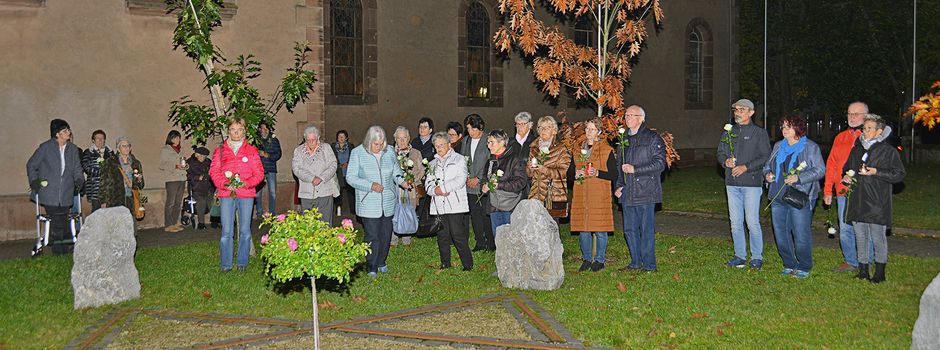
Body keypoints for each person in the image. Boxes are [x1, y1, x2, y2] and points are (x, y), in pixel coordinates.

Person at [843, 114, 905, 283]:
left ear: (879, 132)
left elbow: (899, 174)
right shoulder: (857, 149)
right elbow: (848, 168)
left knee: (878, 237)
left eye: (869, 128)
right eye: (864, 128)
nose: (865, 131)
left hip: (877, 201)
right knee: (860, 236)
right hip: (858, 199)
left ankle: (880, 272)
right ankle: (863, 270)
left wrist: (876, 172)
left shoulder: (888, 151)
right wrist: (847, 176)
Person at [763, 115, 825, 279]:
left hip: (799, 197)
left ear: (798, 128)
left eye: (788, 127)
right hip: (777, 196)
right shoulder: (778, 146)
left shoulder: (810, 147)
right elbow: (767, 166)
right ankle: (789, 264)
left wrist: (799, 178)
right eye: (782, 127)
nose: (784, 130)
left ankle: (804, 266)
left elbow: (820, 170)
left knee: (800, 234)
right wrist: (768, 174)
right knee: (781, 234)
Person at [346, 126, 410, 278]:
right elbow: (350, 177)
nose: (379, 147)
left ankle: (382, 261)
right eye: (376, 144)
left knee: (386, 234)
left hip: (388, 201)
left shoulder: (389, 151)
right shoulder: (358, 153)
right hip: (368, 203)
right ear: (369, 142)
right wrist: (370, 185)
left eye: (381, 143)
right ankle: (371, 266)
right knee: (372, 236)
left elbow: (396, 171)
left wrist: (402, 181)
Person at [717, 99, 771, 270]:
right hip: (731, 183)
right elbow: (720, 152)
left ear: (751, 112)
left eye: (742, 109)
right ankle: (739, 256)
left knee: (752, 222)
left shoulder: (759, 133)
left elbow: (765, 156)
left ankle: (756, 257)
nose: (738, 112)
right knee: (735, 222)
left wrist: (746, 167)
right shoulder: (729, 131)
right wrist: (725, 161)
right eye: (736, 109)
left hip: (751, 184)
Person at [209, 118, 265, 272]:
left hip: (246, 194)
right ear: (228, 131)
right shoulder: (220, 150)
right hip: (227, 194)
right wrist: (225, 184)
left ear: (244, 132)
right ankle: (226, 265)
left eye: (239, 129)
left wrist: (246, 183)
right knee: (226, 231)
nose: (236, 133)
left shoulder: (252, 151)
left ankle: (242, 263)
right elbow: (213, 172)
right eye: (233, 129)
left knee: (245, 231)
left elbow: (259, 174)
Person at [615, 105, 666, 272]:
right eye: (626, 115)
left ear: (641, 118)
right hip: (628, 191)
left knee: (646, 229)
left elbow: (660, 164)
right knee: (629, 229)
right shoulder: (623, 140)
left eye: (632, 115)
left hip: (646, 191)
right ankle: (635, 262)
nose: (628, 118)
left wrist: (635, 169)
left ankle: (649, 265)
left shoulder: (652, 138)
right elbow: (619, 166)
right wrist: (619, 186)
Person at [26, 119, 85, 255]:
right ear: (57, 134)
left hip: (66, 192)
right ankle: (59, 251)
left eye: (68, 129)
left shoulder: (73, 149)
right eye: (65, 131)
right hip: (49, 192)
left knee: (64, 220)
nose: (69, 132)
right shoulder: (45, 148)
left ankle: (63, 250)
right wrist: (34, 181)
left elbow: (77, 168)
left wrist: (79, 180)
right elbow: (31, 165)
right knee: (56, 221)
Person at [824, 101, 869, 273]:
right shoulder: (840, 137)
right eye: (850, 113)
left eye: (856, 114)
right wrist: (828, 190)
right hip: (842, 191)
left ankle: (867, 261)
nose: (852, 117)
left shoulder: (870, 137)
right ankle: (851, 261)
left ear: (865, 116)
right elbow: (831, 165)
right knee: (845, 228)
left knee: (864, 227)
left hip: (864, 191)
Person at [570, 118, 618, 272]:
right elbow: (569, 172)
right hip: (581, 194)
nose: (588, 132)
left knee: (600, 227)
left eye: (592, 129)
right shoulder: (577, 150)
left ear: (598, 132)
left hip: (599, 194)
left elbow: (613, 174)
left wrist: (597, 172)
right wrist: (575, 174)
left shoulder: (606, 150)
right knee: (583, 228)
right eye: (587, 129)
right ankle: (586, 258)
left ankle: (600, 260)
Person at [426, 132, 472, 271]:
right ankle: (445, 262)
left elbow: (460, 179)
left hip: (455, 204)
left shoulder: (459, 159)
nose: (439, 148)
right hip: (439, 204)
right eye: (436, 146)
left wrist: (443, 188)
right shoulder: (432, 163)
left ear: (449, 144)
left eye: (441, 145)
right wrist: (434, 191)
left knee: (457, 235)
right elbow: (427, 184)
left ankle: (467, 264)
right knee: (442, 235)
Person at [481, 129, 528, 236]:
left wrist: (499, 185)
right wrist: (484, 187)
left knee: (512, 238)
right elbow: (484, 178)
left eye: (491, 142)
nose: (489, 146)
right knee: (498, 237)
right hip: (494, 205)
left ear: (502, 142)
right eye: (488, 142)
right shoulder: (491, 160)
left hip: (511, 206)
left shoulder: (515, 159)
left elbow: (521, 182)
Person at [292, 125, 339, 224]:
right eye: (308, 140)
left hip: (325, 191)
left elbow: (333, 165)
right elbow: (296, 169)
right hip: (306, 192)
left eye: (313, 140)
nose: (310, 142)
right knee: (309, 224)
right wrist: (311, 178)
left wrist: (321, 177)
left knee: (325, 223)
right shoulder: (298, 151)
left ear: (318, 138)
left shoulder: (326, 148)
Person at [460, 114, 493, 251]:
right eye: (468, 129)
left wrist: (479, 178)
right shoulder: (466, 141)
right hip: (469, 185)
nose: (470, 132)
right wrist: (467, 177)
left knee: (486, 214)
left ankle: (491, 243)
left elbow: (490, 162)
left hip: (483, 184)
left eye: (473, 129)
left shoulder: (488, 140)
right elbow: (463, 160)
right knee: (475, 215)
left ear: (480, 127)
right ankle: (479, 242)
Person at [526, 116, 570, 216]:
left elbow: (565, 171)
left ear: (554, 130)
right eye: (540, 127)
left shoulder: (561, 149)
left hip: (553, 195)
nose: (543, 130)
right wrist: (529, 168)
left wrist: (545, 170)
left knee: (552, 226)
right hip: (535, 194)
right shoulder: (534, 148)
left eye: (547, 127)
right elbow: (529, 175)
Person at [391, 126, 425, 246]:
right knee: (394, 212)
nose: (401, 141)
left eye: (404, 138)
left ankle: (407, 238)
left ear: (409, 138)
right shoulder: (390, 153)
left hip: (411, 189)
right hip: (394, 189)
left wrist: (413, 180)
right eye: (399, 138)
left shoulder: (416, 153)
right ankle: (393, 239)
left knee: (409, 211)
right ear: (395, 139)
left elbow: (422, 170)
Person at [99, 137, 144, 212]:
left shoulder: (136, 163)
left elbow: (141, 184)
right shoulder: (110, 163)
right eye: (123, 146)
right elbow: (103, 183)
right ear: (118, 149)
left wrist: (136, 182)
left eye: (128, 146)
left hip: (131, 201)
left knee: (131, 222)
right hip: (116, 200)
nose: (126, 148)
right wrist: (103, 201)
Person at [160, 130, 188, 233]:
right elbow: (162, 165)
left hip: (181, 178)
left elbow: (182, 162)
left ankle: (175, 222)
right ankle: (168, 225)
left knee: (178, 203)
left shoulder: (180, 150)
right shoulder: (166, 150)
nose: (177, 140)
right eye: (175, 138)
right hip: (171, 179)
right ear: (170, 139)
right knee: (170, 203)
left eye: (178, 138)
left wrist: (185, 166)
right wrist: (175, 166)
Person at [81, 129, 113, 212]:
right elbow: (86, 167)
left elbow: (114, 167)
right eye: (98, 138)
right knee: (96, 212)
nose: (100, 140)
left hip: (108, 188)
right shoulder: (88, 152)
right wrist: (102, 172)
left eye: (102, 138)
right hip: (95, 189)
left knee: (109, 213)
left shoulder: (110, 153)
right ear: (93, 140)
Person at [255, 121, 282, 217]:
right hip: (258, 170)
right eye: (263, 128)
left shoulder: (274, 140)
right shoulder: (255, 140)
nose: (264, 131)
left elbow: (278, 154)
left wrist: (268, 155)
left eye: (266, 129)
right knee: (257, 194)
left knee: (272, 193)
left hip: (271, 169)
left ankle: (272, 213)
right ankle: (259, 212)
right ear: (259, 129)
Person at [186, 147, 213, 229]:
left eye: (205, 156)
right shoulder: (190, 162)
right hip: (196, 187)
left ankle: (215, 221)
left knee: (213, 201)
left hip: (208, 186)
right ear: (196, 154)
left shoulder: (208, 162)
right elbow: (188, 175)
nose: (204, 158)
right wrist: (197, 177)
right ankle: (201, 223)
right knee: (201, 202)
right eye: (202, 156)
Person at [333, 130, 356, 217]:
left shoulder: (351, 147)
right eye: (339, 136)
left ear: (346, 138)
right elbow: (331, 159)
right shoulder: (333, 147)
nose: (341, 138)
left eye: (343, 136)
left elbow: (354, 157)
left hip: (348, 173)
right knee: (338, 192)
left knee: (351, 193)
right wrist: (339, 165)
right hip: (338, 173)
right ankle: (338, 210)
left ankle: (353, 211)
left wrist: (348, 163)